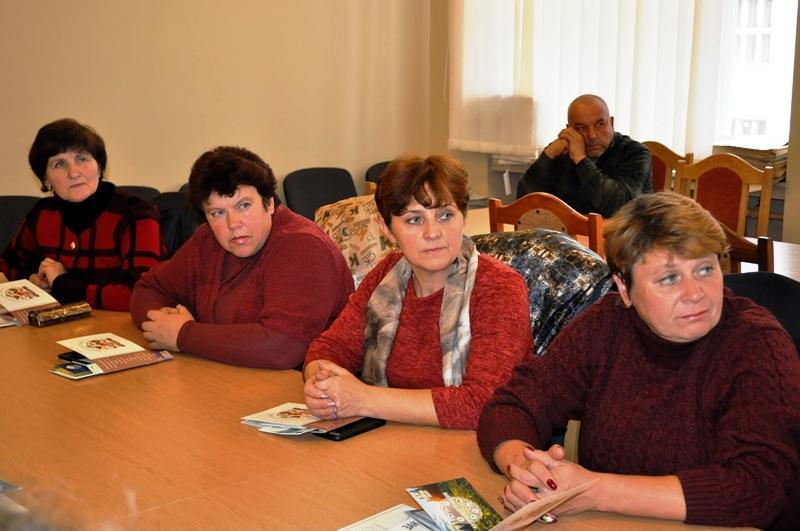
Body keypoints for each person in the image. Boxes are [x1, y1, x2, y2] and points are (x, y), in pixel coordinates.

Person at [477, 191, 800, 530]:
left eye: (705, 269)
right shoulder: (607, 325)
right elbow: (514, 403)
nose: (695, 293)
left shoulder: (756, 343)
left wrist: (595, 492)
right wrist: (524, 466)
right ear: (624, 288)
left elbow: (757, 487)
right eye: (669, 278)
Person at [303, 154, 533, 430]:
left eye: (445, 215)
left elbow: (483, 403)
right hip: (394, 437)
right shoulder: (386, 274)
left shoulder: (499, 287)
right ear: (387, 230)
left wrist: (362, 398)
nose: (433, 232)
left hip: (469, 447)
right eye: (414, 220)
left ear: (463, 217)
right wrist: (321, 385)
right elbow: (330, 349)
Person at [130, 146, 354, 369]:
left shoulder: (303, 246)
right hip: (225, 373)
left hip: (300, 384)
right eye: (218, 213)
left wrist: (184, 334)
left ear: (269, 204)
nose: (233, 224)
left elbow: (283, 348)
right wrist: (164, 322)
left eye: (244, 206)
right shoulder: (207, 240)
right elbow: (149, 288)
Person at [0, 118, 162, 311]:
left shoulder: (136, 213)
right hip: (60, 325)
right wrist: (33, 279)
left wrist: (61, 284)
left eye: (82, 159)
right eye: (59, 164)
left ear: (99, 167)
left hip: (119, 326)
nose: (74, 173)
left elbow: (142, 294)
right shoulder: (42, 213)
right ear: (46, 179)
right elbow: (6, 264)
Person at [516, 94, 652, 217]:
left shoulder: (635, 153)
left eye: (600, 124)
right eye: (581, 128)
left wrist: (581, 160)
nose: (592, 136)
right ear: (569, 129)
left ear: (611, 123)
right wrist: (548, 155)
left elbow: (620, 207)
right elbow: (523, 202)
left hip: (620, 235)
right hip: (567, 233)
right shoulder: (562, 150)